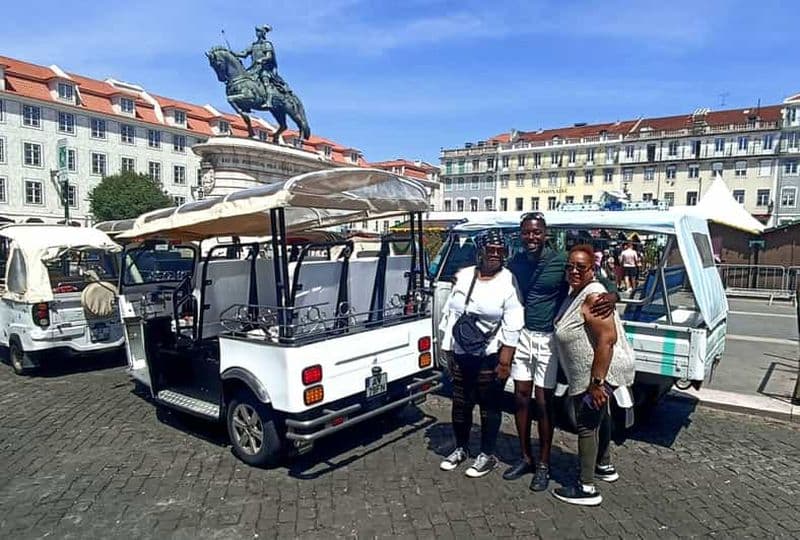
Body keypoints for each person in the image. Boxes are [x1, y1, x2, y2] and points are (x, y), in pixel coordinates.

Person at [504, 213, 618, 492]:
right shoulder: (516, 261)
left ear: (546, 234)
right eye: (526, 232)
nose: (531, 237)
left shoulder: (561, 260)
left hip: (547, 340)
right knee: (520, 398)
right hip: (523, 336)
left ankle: (544, 464)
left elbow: (598, 280)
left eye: (536, 232)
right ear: (521, 234)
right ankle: (525, 457)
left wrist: (613, 296)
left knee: (544, 403)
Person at [551, 245, 635, 506]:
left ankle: (586, 488)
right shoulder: (577, 292)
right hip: (592, 372)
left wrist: (597, 383)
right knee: (602, 415)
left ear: (592, 270)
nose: (574, 271)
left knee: (586, 425)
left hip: (599, 373)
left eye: (581, 267)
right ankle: (604, 465)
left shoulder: (593, 296)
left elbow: (606, 340)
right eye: (570, 266)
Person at [439, 230, 523, 478]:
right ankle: (461, 448)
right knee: (461, 403)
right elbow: (452, 314)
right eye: (490, 250)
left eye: (500, 250)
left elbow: (513, 323)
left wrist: (505, 361)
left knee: (489, 406)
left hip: (490, 354)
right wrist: (448, 350)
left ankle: (487, 454)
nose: (495, 254)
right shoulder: (464, 275)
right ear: (481, 251)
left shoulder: (508, 280)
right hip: (461, 351)